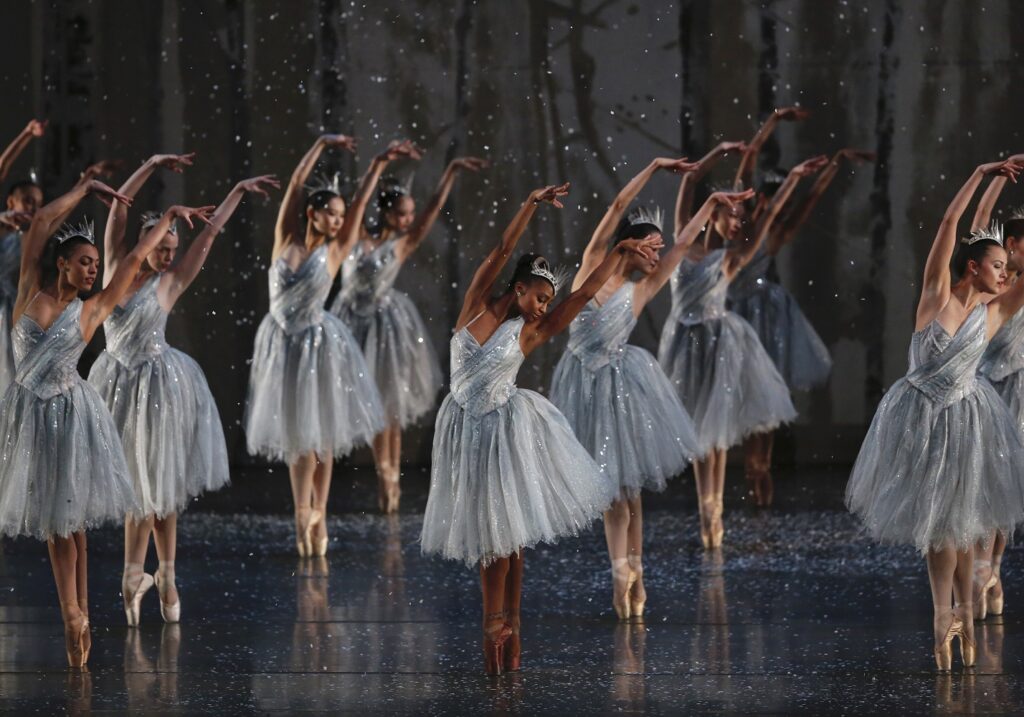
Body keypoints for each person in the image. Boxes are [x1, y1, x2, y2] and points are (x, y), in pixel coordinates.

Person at [420, 182, 658, 674]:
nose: (546, 307)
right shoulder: (475, 306)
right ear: (520, 287)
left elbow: (587, 291)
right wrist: (529, 203)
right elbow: (502, 248)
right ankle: (496, 625)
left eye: (550, 300)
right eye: (541, 296)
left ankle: (508, 624)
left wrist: (616, 253)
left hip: (504, 432)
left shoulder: (531, 330)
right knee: (494, 537)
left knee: (507, 536)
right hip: (464, 431)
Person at [0, 169, 211, 667]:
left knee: (74, 525)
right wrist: (82, 191)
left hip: (73, 415)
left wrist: (172, 219)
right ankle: (71, 612)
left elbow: (135, 257)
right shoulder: (31, 291)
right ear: (62, 264)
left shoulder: (91, 312)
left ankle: (82, 612)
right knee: (57, 523)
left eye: (96, 264)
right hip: (30, 414)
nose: (93, 270)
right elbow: (41, 224)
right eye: (84, 263)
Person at [846, 158, 1024, 671]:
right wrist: (980, 173)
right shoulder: (936, 298)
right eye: (997, 266)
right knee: (939, 526)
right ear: (973, 267)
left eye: (1008, 269)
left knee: (966, 525)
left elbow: (1012, 266)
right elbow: (952, 228)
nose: (1004, 273)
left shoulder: (995, 312)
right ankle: (942, 615)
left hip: (969, 420)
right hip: (921, 420)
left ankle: (965, 615)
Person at [90, 152, 278, 625]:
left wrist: (235, 192)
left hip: (158, 389)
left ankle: (165, 574)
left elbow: (211, 233)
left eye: (174, 248)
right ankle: (135, 576)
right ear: (146, 241)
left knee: (162, 485)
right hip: (115, 385)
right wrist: (151, 163)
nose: (170, 255)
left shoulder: (169, 283)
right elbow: (119, 207)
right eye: (164, 246)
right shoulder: (116, 267)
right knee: (135, 489)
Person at [245, 135, 417, 556]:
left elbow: (359, 208)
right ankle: (301, 511)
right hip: (282, 345)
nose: (340, 221)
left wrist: (376, 165)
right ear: (313, 213)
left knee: (320, 433)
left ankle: (318, 512)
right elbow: (294, 184)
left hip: (319, 347)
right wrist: (320, 145)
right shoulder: (285, 241)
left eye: (343, 216)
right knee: (295, 434)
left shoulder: (337, 251)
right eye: (331, 214)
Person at [658, 155, 827, 548]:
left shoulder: (730, 259)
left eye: (739, 218)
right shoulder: (683, 245)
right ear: (714, 214)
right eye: (731, 215)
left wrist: (793, 179)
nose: (737, 223)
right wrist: (712, 161)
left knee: (715, 438)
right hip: (685, 344)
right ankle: (706, 511)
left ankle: (714, 513)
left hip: (718, 344)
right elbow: (686, 197)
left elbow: (767, 224)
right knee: (700, 435)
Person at [329, 155, 487, 513]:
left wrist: (449, 172)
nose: (407, 221)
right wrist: (377, 167)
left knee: (390, 407)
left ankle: (390, 478)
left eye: (409, 214)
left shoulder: (400, 245)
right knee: (370, 405)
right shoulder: (354, 237)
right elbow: (354, 210)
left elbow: (430, 213)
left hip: (386, 328)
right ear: (385, 213)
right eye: (402, 214)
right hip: (352, 322)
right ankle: (384, 472)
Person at [728, 148, 874, 506]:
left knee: (769, 387)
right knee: (748, 389)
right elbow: (741, 178)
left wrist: (835, 163)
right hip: (737, 314)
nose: (778, 203)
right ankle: (753, 465)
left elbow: (809, 199)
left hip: (766, 315)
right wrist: (771, 125)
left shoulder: (774, 232)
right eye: (774, 196)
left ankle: (761, 464)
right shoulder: (734, 224)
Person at [966, 161, 1024, 621]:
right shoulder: (995, 280)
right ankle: (981, 564)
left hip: (1019, 388)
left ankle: (995, 565)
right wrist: (998, 175)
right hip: (984, 387)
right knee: (981, 482)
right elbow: (977, 229)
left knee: (1008, 483)